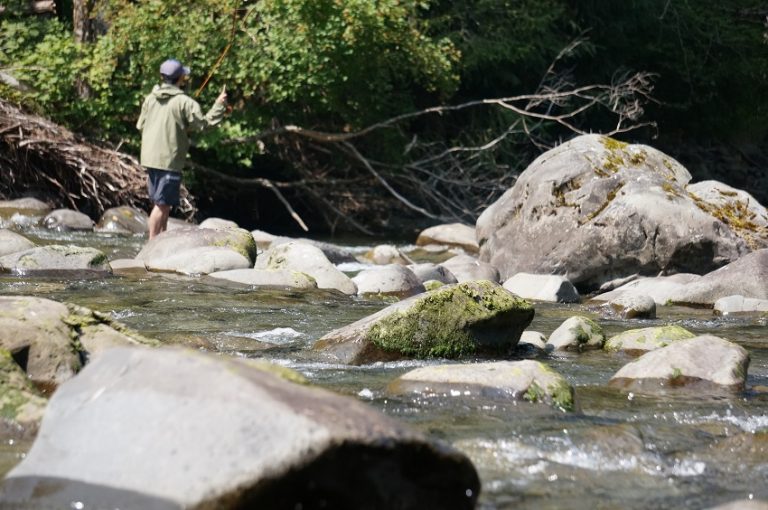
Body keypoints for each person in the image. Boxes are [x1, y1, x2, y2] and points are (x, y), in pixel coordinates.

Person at [136, 58, 227, 239]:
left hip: (150, 158)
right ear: (180, 78)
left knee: (162, 203)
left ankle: (161, 240)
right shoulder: (185, 102)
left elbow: (140, 125)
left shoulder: (150, 99)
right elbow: (203, 124)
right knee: (162, 204)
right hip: (169, 159)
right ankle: (151, 245)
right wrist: (219, 105)